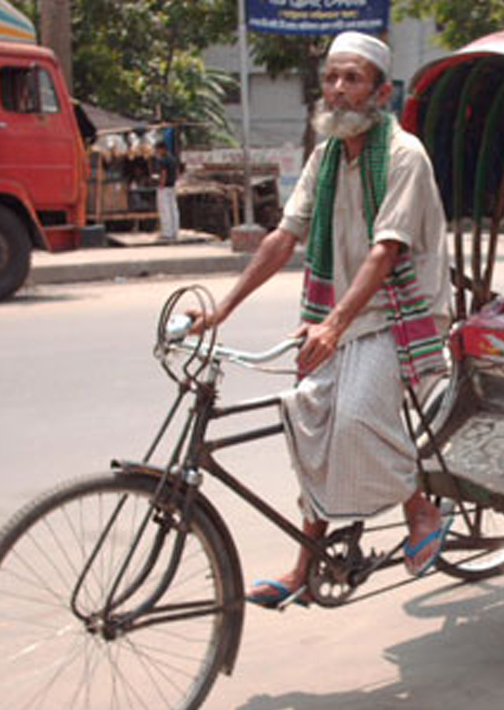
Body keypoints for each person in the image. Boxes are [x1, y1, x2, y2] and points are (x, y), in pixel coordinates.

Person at [190, 31, 452, 607]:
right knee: (310, 421)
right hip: (344, 313)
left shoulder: (404, 156)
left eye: (351, 79)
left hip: (401, 313)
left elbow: (386, 253)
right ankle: (303, 569)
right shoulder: (326, 156)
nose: (336, 90)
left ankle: (421, 507)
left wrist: (333, 326)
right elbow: (285, 237)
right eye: (331, 78)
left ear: (380, 92)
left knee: (354, 419)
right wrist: (223, 309)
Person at [154, 141, 180, 241]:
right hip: (172, 186)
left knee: (165, 210)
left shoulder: (163, 160)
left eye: (157, 150)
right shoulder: (172, 159)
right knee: (173, 209)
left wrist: (161, 184)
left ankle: (167, 233)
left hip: (165, 188)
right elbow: (177, 172)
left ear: (162, 149)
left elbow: (163, 173)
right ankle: (175, 232)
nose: (156, 152)